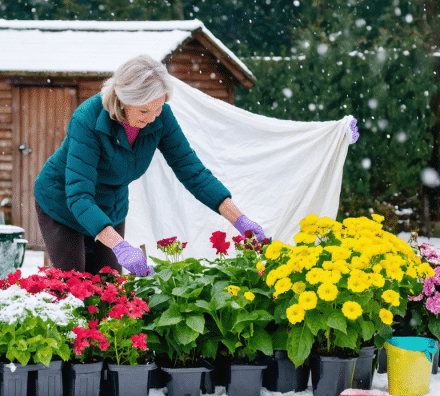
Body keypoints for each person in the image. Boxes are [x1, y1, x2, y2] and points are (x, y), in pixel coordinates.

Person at [34, 54, 267, 276]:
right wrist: (120, 246)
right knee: (73, 288)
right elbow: (79, 196)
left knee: (108, 290)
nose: (153, 117)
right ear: (124, 99)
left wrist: (238, 218)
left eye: (159, 108)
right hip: (63, 203)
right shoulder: (88, 119)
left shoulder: (160, 116)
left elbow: (192, 171)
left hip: (109, 205)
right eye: (145, 110)